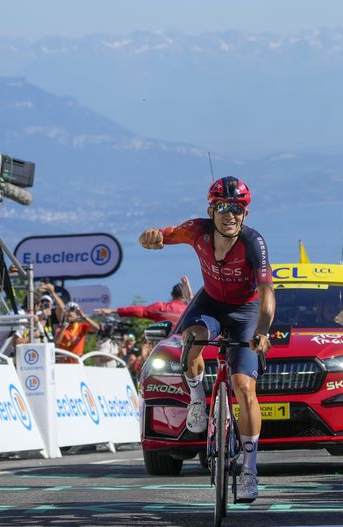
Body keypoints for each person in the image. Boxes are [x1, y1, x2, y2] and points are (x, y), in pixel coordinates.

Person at [138, 176, 275, 503]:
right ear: (211, 210)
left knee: (244, 386)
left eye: (238, 209)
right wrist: (150, 238)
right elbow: (160, 237)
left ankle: (250, 468)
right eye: (224, 208)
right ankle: (198, 399)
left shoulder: (254, 243)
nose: (231, 216)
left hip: (245, 310)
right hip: (210, 303)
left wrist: (262, 331)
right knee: (192, 338)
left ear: (245, 213)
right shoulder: (196, 231)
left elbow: (268, 293)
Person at [96, 277, 192, 324]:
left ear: (172, 295)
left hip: (166, 350)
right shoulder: (191, 310)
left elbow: (140, 311)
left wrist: (113, 310)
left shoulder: (162, 308)